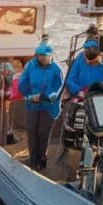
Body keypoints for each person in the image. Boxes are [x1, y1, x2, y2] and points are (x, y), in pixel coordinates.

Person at [17, 42, 63, 170]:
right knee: (31, 131)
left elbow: (59, 88)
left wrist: (45, 96)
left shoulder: (56, 70)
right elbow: (22, 83)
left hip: (49, 106)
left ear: (50, 55)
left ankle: (41, 160)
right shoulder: (30, 66)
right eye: (39, 55)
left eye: (44, 55)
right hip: (32, 104)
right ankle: (33, 161)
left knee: (43, 132)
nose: (41, 58)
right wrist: (30, 96)